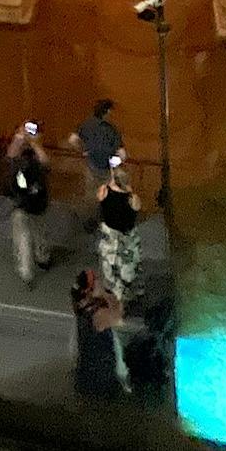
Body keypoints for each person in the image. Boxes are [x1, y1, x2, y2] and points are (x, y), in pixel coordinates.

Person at [6, 120, 54, 287]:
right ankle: (28, 269)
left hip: (37, 204)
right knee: (24, 238)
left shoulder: (36, 158)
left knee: (38, 234)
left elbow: (46, 162)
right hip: (23, 204)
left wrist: (33, 142)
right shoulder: (18, 157)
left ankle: (41, 258)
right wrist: (21, 138)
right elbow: (11, 154)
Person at [71, 269, 128, 399]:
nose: (99, 281)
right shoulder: (98, 314)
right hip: (101, 374)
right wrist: (106, 294)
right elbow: (118, 314)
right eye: (96, 280)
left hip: (86, 373)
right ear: (89, 290)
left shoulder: (81, 307)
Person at [96, 153, 143, 305]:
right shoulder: (133, 199)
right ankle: (126, 295)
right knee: (128, 271)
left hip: (110, 237)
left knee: (109, 268)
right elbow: (137, 210)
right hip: (127, 238)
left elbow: (100, 201)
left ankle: (112, 294)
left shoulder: (103, 191)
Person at [69, 98, 124, 226]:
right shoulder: (111, 129)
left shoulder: (86, 124)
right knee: (108, 196)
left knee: (91, 195)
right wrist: (116, 165)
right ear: (108, 111)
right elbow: (122, 154)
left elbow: (72, 140)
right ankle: (106, 222)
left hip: (90, 165)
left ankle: (90, 223)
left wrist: (83, 150)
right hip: (107, 169)